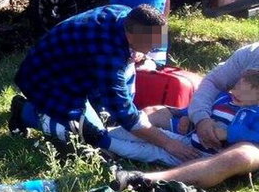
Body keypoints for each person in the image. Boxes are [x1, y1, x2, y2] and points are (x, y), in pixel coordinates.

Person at [8, 4, 201, 162]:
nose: (154, 48)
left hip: (79, 65)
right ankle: (24, 111)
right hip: (48, 78)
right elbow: (124, 111)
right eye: (151, 44)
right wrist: (168, 143)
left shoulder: (126, 15)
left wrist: (139, 52)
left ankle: (101, 114)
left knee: (127, 73)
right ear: (131, 35)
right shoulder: (108, 54)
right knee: (88, 136)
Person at [113, 43, 259, 190]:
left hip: (247, 142)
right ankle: (102, 137)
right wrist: (200, 117)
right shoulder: (252, 53)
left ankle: (143, 180)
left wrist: (230, 134)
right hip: (197, 133)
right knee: (154, 113)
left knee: (241, 156)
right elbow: (214, 82)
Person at [105, 69, 259, 167]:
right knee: (150, 132)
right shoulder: (223, 98)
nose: (237, 94)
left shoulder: (254, 114)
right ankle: (103, 132)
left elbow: (255, 136)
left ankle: (104, 142)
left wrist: (229, 134)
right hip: (187, 140)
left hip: (201, 157)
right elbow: (197, 108)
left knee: (151, 151)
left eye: (246, 94)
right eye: (237, 88)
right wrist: (187, 116)